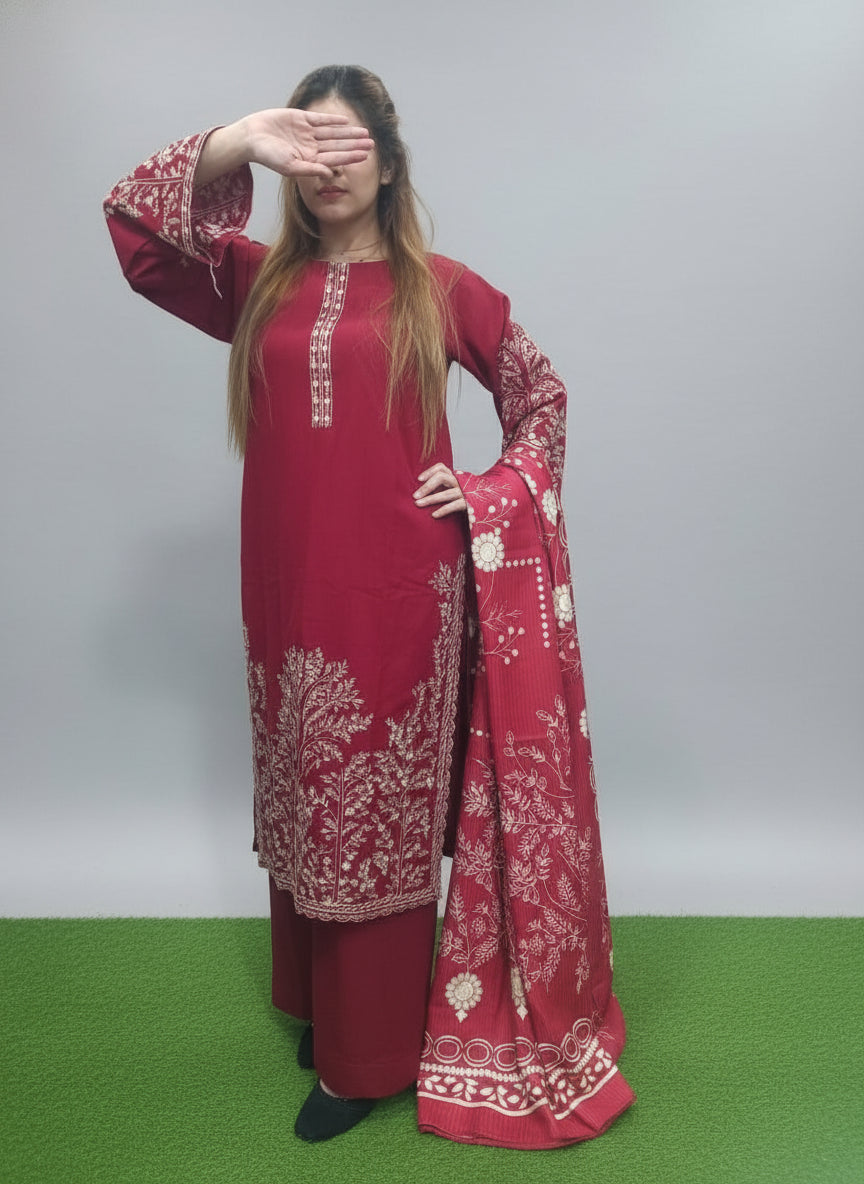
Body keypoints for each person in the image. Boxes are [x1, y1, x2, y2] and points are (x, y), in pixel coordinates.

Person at [103, 64, 634, 1149]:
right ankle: (324, 1008)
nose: (322, 165)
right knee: (306, 788)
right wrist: (240, 138)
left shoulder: (439, 286)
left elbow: (541, 395)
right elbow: (139, 235)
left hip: (399, 591)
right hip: (285, 587)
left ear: (388, 163)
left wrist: (488, 491)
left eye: (344, 146)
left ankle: (369, 1055)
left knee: (370, 815)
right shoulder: (254, 280)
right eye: (306, 145)